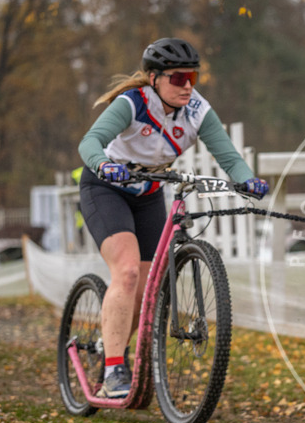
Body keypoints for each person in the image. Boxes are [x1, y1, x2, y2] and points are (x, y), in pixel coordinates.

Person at [77, 37, 268, 398]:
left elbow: (228, 156)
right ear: (154, 79)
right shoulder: (131, 104)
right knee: (128, 272)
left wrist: (247, 180)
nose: (188, 86)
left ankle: (110, 354)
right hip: (106, 188)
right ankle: (115, 370)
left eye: (193, 78)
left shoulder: (197, 110)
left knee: (146, 290)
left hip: (148, 195)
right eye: (178, 78)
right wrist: (105, 165)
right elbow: (90, 142)